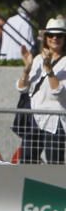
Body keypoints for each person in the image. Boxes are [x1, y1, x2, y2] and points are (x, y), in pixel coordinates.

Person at [17, 17, 66, 164]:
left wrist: (49, 70)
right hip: (34, 117)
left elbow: (58, 91)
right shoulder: (38, 59)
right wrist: (26, 70)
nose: (54, 38)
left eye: (59, 35)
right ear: (46, 38)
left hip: (55, 120)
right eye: (51, 35)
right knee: (27, 161)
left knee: (54, 163)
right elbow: (22, 88)